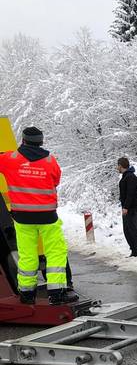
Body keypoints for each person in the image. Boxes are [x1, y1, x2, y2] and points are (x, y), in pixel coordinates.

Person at [0, 126, 78, 305]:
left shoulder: (9, 159)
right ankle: (57, 294)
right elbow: (56, 180)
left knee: (27, 255)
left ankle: (27, 295)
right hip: (47, 217)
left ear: (23, 140)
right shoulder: (50, 161)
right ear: (41, 142)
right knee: (55, 253)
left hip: (22, 218)